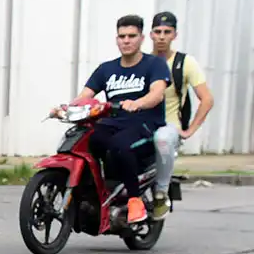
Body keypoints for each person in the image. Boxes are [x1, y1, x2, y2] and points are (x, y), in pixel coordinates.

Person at [52, 14, 170, 224]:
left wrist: (138, 103)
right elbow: (84, 96)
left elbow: (157, 94)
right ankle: (95, 190)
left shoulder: (155, 65)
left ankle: (134, 200)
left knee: (120, 146)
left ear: (141, 38)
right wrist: (65, 109)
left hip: (143, 123)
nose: (126, 41)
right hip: (113, 121)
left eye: (131, 36)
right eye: (122, 36)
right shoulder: (107, 69)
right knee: (86, 140)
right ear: (116, 39)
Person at [148, 11, 214, 219]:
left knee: (164, 139)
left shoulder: (185, 63)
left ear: (174, 35)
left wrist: (190, 130)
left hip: (168, 126)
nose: (161, 36)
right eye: (157, 31)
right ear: (150, 34)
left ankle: (161, 191)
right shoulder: (143, 61)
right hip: (141, 124)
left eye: (167, 32)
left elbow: (207, 99)